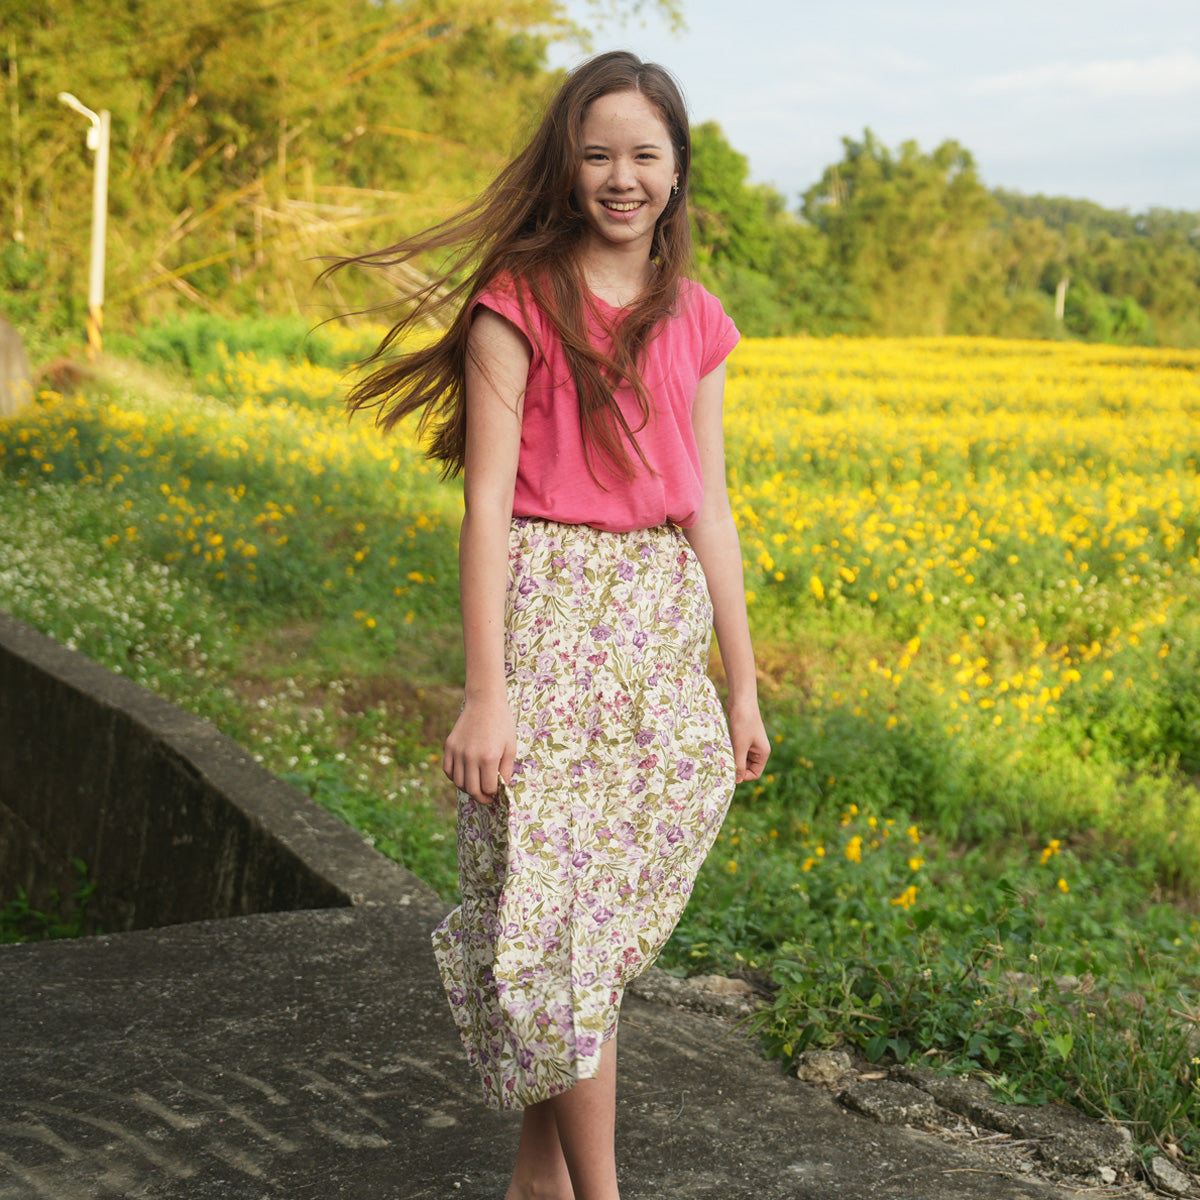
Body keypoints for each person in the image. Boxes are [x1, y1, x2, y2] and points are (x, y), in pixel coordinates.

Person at [335, 49, 769, 1200]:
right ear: (567, 167)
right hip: (549, 618)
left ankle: (537, 1172)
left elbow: (709, 505)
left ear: (677, 170)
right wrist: (487, 691)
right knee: (559, 920)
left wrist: (742, 681)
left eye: (643, 155)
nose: (620, 177)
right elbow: (484, 505)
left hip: (657, 630)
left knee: (583, 917)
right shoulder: (516, 301)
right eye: (597, 155)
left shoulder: (703, 320)